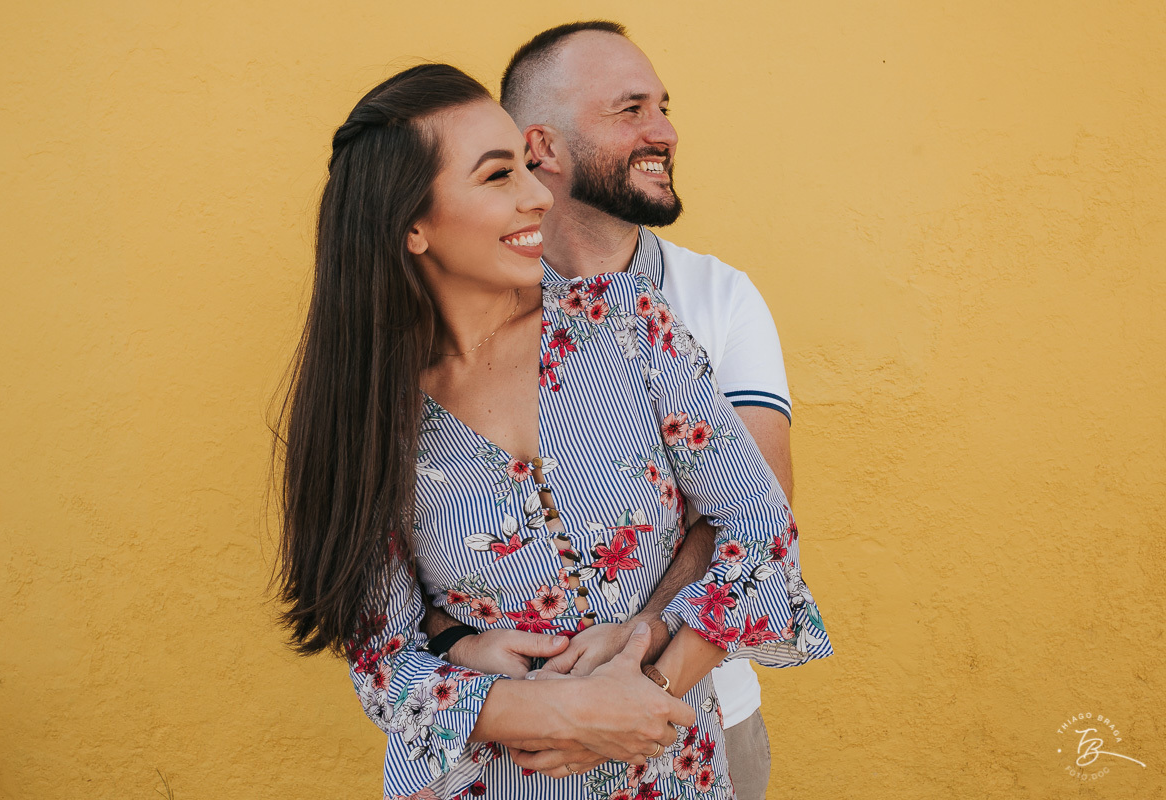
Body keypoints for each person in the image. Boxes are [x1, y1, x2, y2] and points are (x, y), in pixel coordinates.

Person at [276, 63, 831, 800]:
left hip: (671, 772)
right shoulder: (371, 413)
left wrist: (652, 677)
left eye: (526, 167)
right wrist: (558, 710)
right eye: (498, 175)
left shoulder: (630, 327)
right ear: (411, 224)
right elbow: (383, 659)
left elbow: (763, 529)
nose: (538, 194)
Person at [422, 22, 796, 799]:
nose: (666, 131)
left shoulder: (710, 300)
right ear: (542, 147)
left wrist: (640, 675)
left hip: (698, 717)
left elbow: (757, 513)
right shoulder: (421, 361)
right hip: (505, 758)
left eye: (663, 106)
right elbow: (389, 607)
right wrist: (511, 683)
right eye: (631, 110)